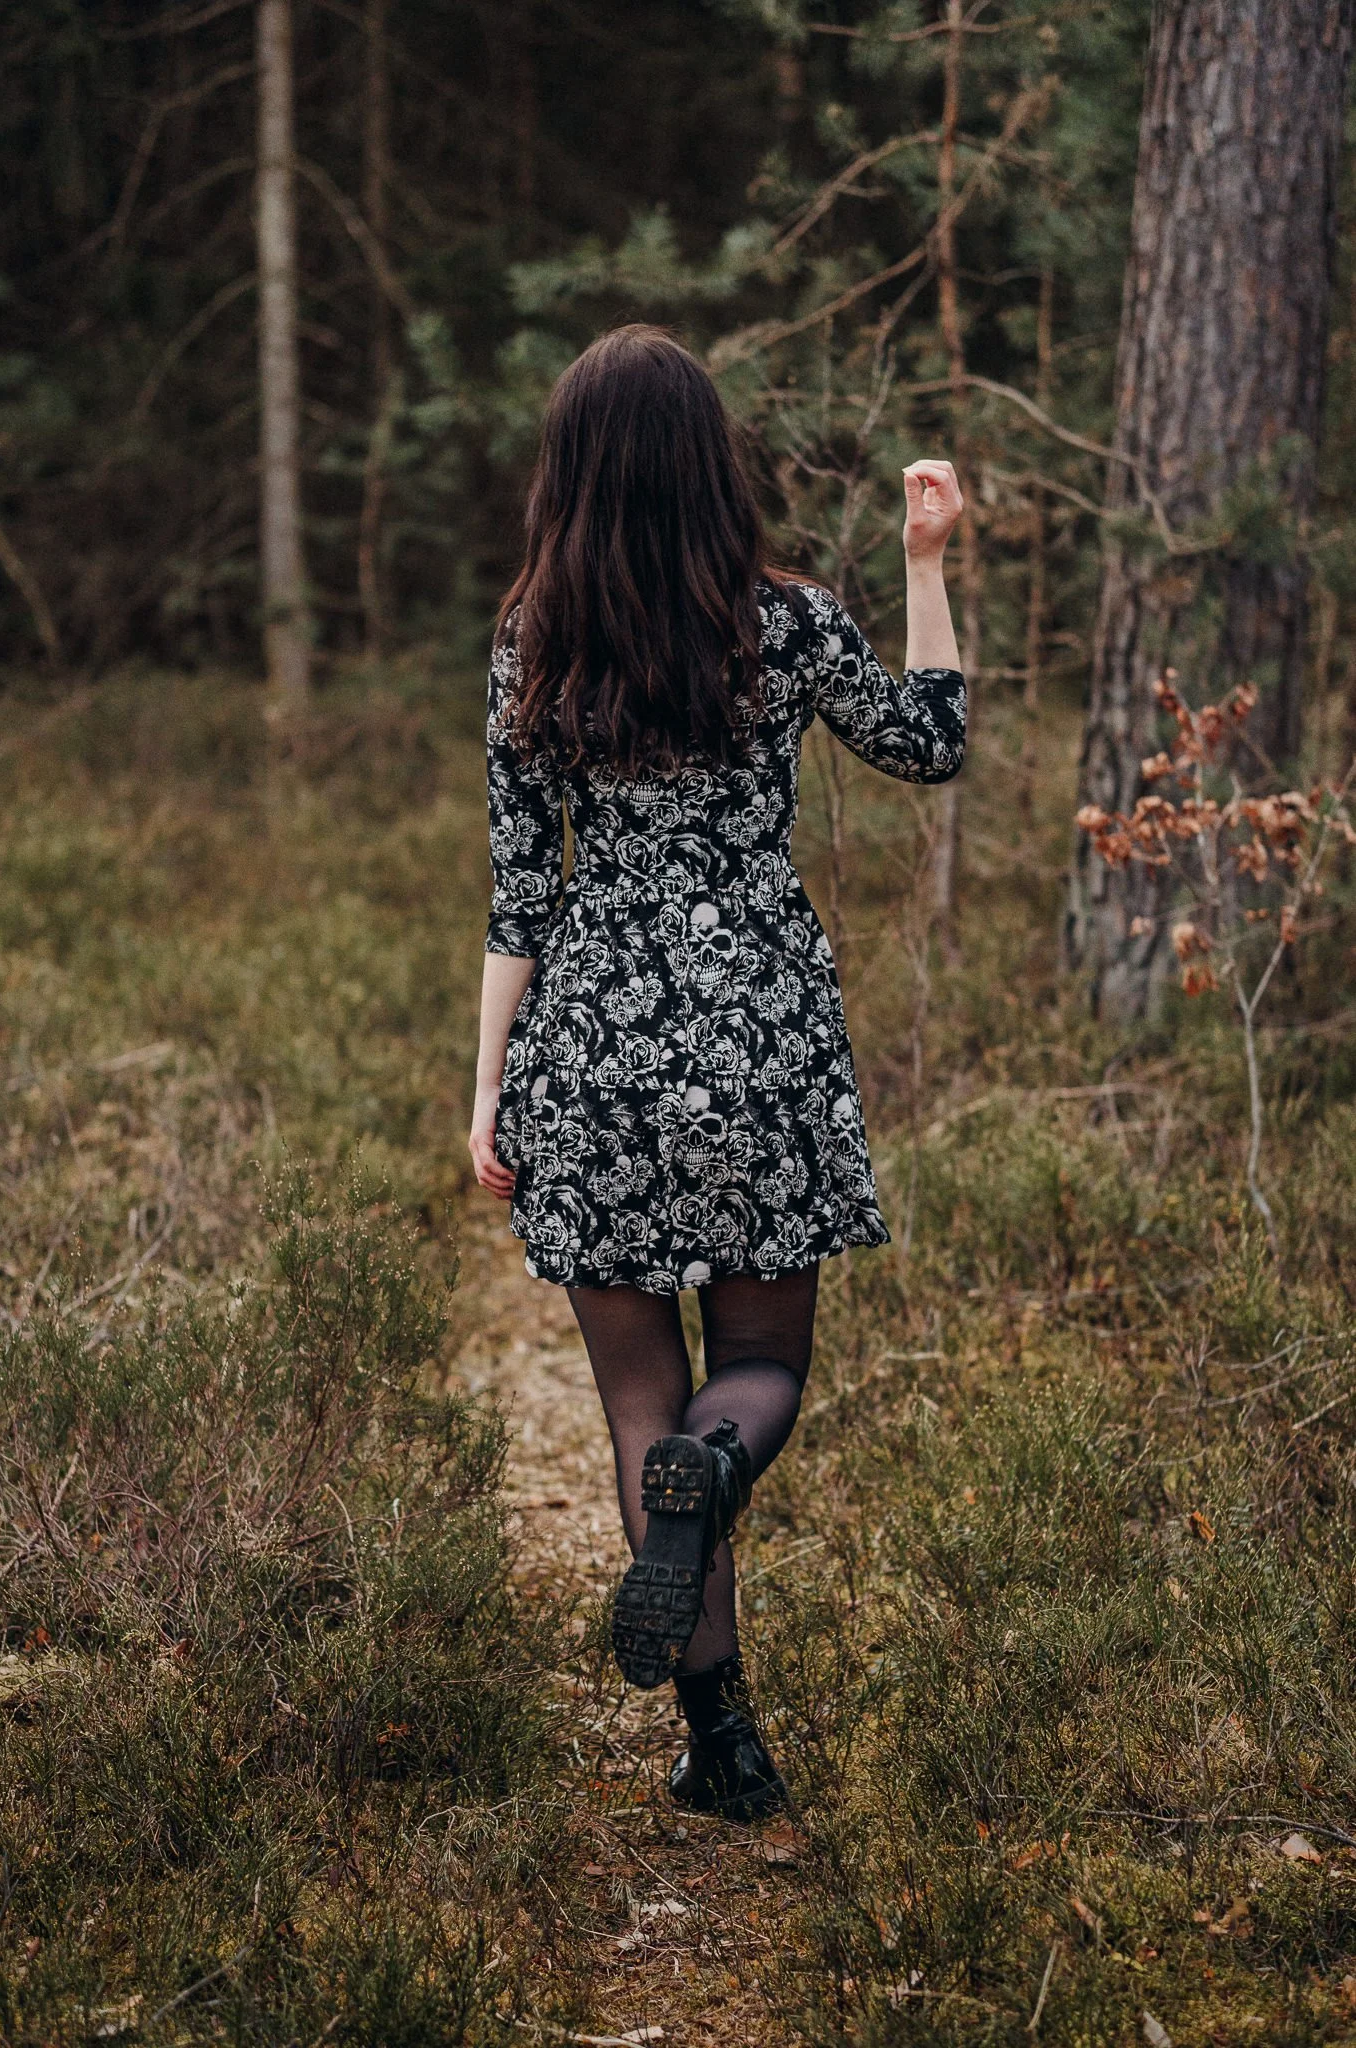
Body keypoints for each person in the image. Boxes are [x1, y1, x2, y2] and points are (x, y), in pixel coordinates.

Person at [470, 324, 965, 1822]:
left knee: (640, 1399)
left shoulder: (534, 640)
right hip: (758, 1033)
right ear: (709, 465)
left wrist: (487, 1088)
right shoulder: (790, 624)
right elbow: (931, 744)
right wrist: (927, 561)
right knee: (756, 1376)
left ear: (574, 473)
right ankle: (713, 1485)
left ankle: (723, 1741)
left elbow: (517, 892)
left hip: (598, 1039)